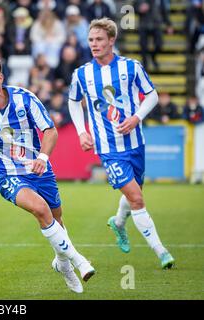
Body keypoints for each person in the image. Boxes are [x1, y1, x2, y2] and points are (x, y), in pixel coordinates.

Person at [0, 57, 95, 294]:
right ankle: (78, 261)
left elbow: (50, 131)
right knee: (41, 209)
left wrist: (42, 158)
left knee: (57, 220)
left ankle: (62, 264)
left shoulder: (25, 99)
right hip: (7, 175)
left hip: (38, 169)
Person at [68, 18, 175, 269]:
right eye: (91, 40)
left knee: (134, 192)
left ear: (111, 40)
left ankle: (118, 222)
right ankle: (162, 253)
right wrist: (82, 131)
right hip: (108, 149)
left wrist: (136, 118)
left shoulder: (131, 67)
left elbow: (152, 94)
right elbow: (74, 101)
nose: (94, 44)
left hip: (136, 143)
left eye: (99, 39)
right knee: (137, 198)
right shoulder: (82, 74)